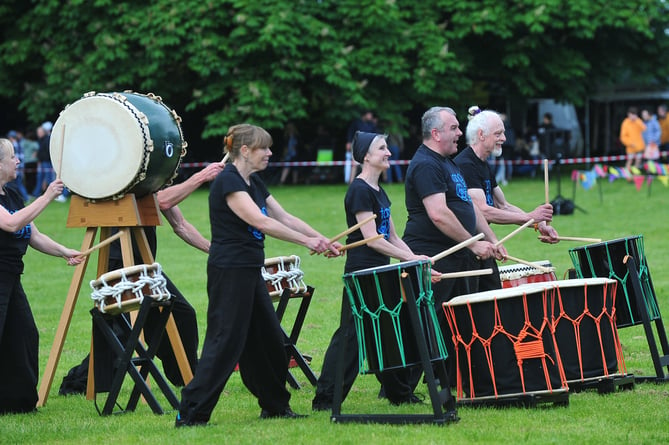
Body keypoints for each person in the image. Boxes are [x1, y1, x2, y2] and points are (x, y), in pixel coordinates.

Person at [176, 123, 341, 427]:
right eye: (263, 148)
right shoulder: (228, 182)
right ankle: (190, 413)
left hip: (250, 269)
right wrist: (306, 242)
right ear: (244, 151)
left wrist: (323, 239)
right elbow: (259, 221)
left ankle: (275, 405)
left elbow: (284, 216)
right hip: (229, 271)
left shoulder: (253, 182)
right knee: (224, 342)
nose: (269, 152)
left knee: (268, 339)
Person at [59, 159, 225, 395]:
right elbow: (163, 201)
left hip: (144, 268)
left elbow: (181, 225)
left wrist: (214, 250)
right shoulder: (125, 183)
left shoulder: (149, 186)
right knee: (121, 334)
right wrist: (201, 176)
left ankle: (188, 377)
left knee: (181, 315)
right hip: (118, 264)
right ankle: (77, 382)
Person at [312, 131, 434, 411]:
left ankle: (399, 393)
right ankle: (326, 398)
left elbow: (390, 235)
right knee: (352, 336)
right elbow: (372, 238)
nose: (388, 152)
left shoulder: (379, 190)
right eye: (382, 148)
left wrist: (413, 257)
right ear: (366, 155)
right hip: (362, 271)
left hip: (380, 269)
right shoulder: (359, 190)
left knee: (387, 330)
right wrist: (409, 258)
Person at [402, 106, 505, 386]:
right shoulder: (426, 164)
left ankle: (448, 379)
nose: (460, 133)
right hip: (435, 255)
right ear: (435, 134)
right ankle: (400, 387)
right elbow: (438, 213)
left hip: (458, 252)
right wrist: (473, 245)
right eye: (454, 128)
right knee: (430, 320)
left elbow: (469, 208)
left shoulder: (448, 162)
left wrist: (489, 240)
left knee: (454, 321)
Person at [0, 138, 82, 414]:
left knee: (24, 336)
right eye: (13, 157)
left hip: (11, 279)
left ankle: (18, 404)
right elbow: (11, 224)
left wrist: (63, 251)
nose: (18, 161)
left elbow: (33, 234)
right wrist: (47, 196)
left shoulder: (12, 195)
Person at [455, 107, 559, 291]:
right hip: (466, 249)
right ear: (481, 134)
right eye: (498, 133)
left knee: (494, 303)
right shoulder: (465, 164)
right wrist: (530, 217)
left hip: (485, 246)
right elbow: (482, 210)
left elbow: (502, 205)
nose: (504, 138)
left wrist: (538, 225)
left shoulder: (482, 164)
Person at [345, 110, 378, 183]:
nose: (370, 116)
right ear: (365, 115)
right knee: (354, 165)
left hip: (367, 146)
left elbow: (375, 134)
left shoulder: (371, 124)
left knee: (366, 164)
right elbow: (351, 132)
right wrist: (349, 142)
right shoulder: (356, 123)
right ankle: (351, 182)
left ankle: (367, 181)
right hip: (356, 145)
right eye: (369, 114)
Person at [31, 122, 59, 200]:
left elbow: (48, 152)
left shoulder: (48, 139)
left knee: (49, 179)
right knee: (39, 178)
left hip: (47, 162)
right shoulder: (41, 140)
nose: (38, 134)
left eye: (39, 132)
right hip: (42, 162)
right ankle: (36, 193)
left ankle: (52, 195)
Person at [619, 107, 646, 171]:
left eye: (634, 115)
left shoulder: (639, 121)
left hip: (639, 146)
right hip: (630, 147)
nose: (633, 116)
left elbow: (644, 129)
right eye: (632, 115)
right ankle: (627, 175)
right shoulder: (625, 123)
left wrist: (637, 121)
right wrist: (630, 143)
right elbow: (623, 137)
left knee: (638, 161)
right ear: (628, 114)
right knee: (629, 161)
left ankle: (635, 175)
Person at [6, 131, 30, 202]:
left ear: (11, 137)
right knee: (19, 185)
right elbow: (22, 159)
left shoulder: (11, 147)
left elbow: (14, 159)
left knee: (11, 185)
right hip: (20, 169)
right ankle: (26, 198)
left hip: (15, 169)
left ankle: (12, 199)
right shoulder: (20, 145)